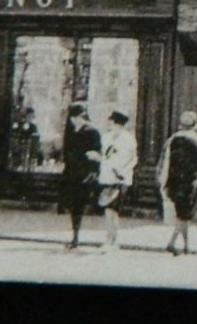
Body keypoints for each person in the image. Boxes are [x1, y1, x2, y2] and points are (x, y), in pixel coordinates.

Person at [157, 111, 197, 256]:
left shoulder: (171, 140)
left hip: (174, 182)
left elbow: (164, 162)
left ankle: (186, 246)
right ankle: (172, 243)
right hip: (191, 182)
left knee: (182, 213)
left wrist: (162, 182)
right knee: (184, 214)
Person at [59, 103, 103, 249]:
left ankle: (77, 236)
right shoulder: (71, 131)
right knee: (74, 205)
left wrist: (93, 172)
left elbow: (97, 154)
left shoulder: (92, 131)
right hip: (72, 173)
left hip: (84, 174)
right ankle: (75, 236)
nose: (75, 120)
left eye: (78, 117)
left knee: (81, 205)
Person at [97, 110, 138, 253]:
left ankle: (111, 240)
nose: (110, 124)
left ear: (117, 123)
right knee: (110, 211)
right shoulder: (105, 138)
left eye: (112, 122)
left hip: (121, 179)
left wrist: (124, 171)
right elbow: (104, 156)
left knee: (112, 210)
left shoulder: (128, 139)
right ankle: (112, 240)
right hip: (107, 176)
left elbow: (134, 159)